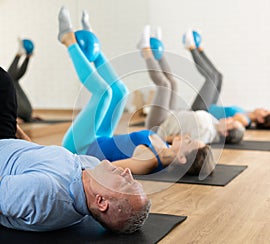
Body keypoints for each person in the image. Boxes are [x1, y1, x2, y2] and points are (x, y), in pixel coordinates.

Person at [0, 12, 151, 235]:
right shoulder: (91, 168)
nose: (128, 172)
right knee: (4, 83)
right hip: (10, 142)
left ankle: (68, 40)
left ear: (101, 202)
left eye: (127, 184)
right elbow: (39, 157)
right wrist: (16, 130)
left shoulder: (46, 194)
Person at [59, 8, 215, 177]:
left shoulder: (148, 161)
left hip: (79, 148)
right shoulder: (167, 147)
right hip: (100, 137)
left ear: (183, 158)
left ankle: (68, 39)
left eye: (189, 142)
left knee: (103, 93)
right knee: (120, 92)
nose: (186, 136)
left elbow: (100, 171)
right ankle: (94, 50)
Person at [137, 25, 245, 145]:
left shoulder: (206, 135)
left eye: (231, 122)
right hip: (171, 114)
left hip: (159, 125)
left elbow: (181, 142)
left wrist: (157, 138)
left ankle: (145, 49)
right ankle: (158, 54)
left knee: (164, 85)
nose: (230, 118)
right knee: (173, 83)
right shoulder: (214, 124)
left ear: (225, 133)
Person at [183, 29, 270, 130]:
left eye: (265, 111)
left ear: (261, 119)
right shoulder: (245, 115)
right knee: (218, 76)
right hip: (208, 107)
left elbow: (223, 125)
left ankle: (191, 48)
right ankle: (200, 50)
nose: (263, 108)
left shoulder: (244, 120)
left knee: (211, 77)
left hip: (202, 112)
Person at [8, 38, 35, 122]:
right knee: (11, 79)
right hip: (26, 111)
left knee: (11, 79)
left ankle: (21, 56)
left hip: (23, 112)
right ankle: (25, 57)